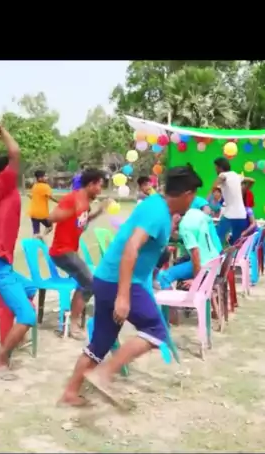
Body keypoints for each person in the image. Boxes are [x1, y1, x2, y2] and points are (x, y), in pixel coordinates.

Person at [59, 170, 178, 407]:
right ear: (186, 194)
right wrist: (123, 296)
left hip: (106, 279)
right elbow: (131, 248)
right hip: (121, 282)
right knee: (155, 331)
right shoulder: (157, 212)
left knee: (100, 342)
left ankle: (70, 393)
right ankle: (104, 373)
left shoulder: (154, 203)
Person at [0, 121, 37, 379]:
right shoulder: (6, 184)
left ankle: (16, 335)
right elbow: (15, 153)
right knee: (28, 315)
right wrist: (1, 130)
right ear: (7, 173)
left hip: (0, 265)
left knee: (31, 289)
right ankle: (1, 362)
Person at [48, 169, 106, 340]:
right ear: (91, 184)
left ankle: (74, 320)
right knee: (90, 283)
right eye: (99, 186)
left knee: (88, 282)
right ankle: (73, 325)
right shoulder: (72, 199)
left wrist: (97, 213)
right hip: (61, 252)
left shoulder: (85, 203)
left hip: (70, 250)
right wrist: (63, 215)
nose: (100, 190)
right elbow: (51, 217)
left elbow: (82, 222)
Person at [157, 167, 221, 289]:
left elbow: (195, 253)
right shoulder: (197, 214)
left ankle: (170, 301)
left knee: (164, 277)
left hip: (203, 265)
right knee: (181, 263)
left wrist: (196, 280)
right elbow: (207, 221)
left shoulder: (185, 226)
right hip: (214, 262)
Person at [211, 157, 247, 245]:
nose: (215, 169)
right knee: (236, 242)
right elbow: (249, 179)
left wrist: (210, 194)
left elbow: (221, 178)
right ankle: (234, 254)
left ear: (219, 167)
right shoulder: (236, 175)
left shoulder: (223, 174)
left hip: (230, 215)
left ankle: (217, 253)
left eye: (215, 167)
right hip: (242, 215)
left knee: (217, 238)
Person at [28, 169, 58, 236]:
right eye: (45, 176)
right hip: (42, 213)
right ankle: (43, 237)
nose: (46, 177)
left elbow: (33, 197)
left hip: (33, 213)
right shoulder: (45, 187)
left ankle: (37, 239)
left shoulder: (34, 186)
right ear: (40, 178)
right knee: (50, 226)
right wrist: (60, 202)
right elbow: (51, 197)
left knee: (36, 232)